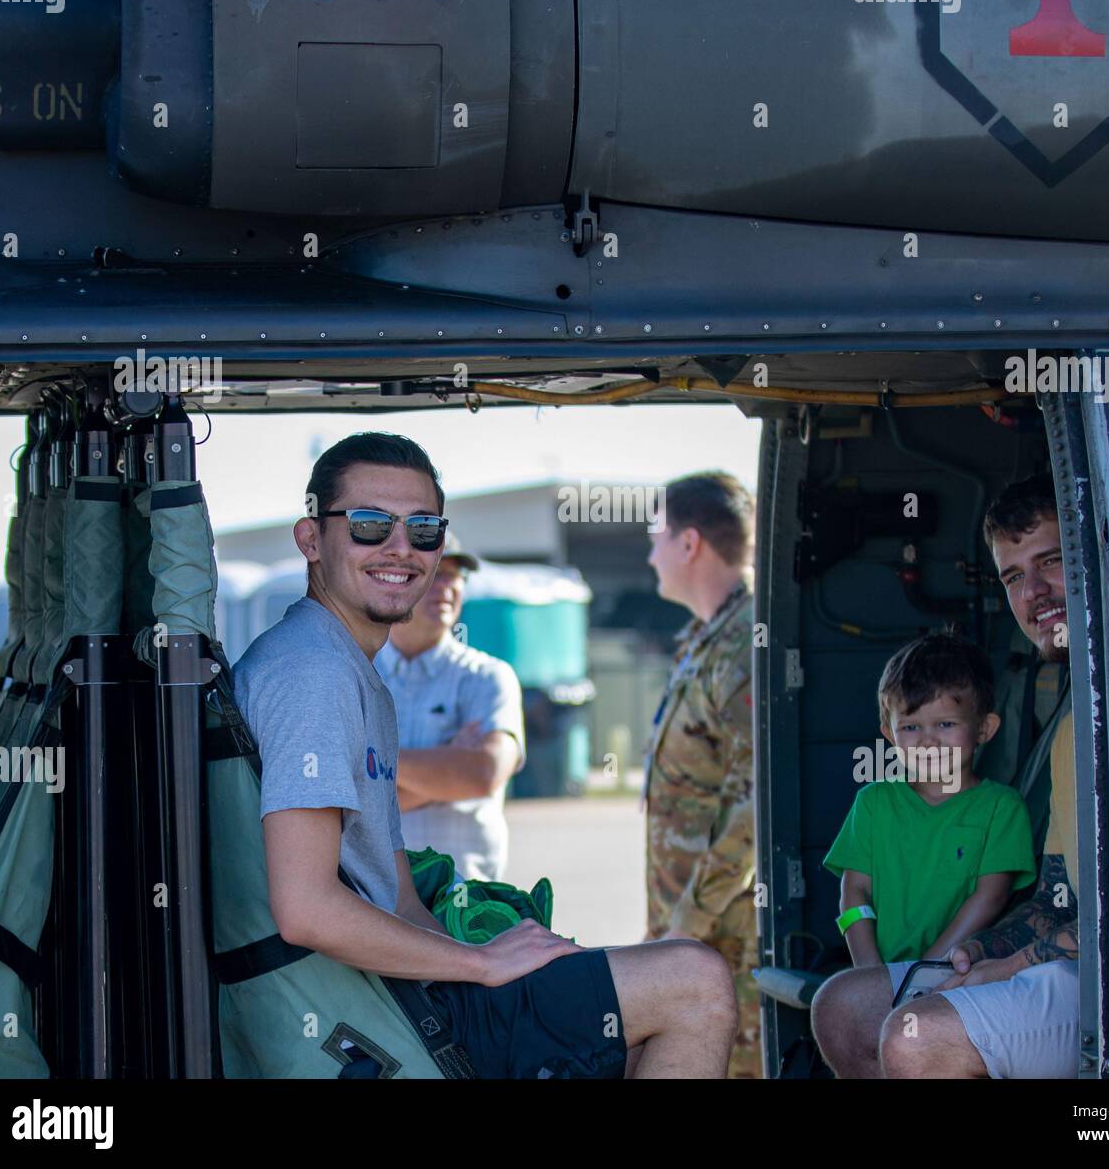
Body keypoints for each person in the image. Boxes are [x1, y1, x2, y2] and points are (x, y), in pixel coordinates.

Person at [233, 432, 737, 1078]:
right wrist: (482, 964)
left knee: (627, 1024)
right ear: (310, 539)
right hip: (361, 1013)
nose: (400, 548)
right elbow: (306, 908)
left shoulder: (353, 674)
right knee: (692, 979)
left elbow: (403, 900)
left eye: (423, 529)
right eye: (368, 525)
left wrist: (493, 953)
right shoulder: (313, 672)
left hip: (397, 991)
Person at [812, 472, 1078, 1078]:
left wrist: (985, 966)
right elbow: (1057, 900)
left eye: (1054, 561)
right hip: (1041, 961)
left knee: (912, 1036)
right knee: (842, 1007)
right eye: (1013, 576)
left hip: (1106, 977)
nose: (1034, 591)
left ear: (983, 729)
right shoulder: (1071, 729)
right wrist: (978, 955)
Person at [826, 633, 1036, 971]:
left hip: (960, 975)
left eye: (946, 724)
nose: (928, 741)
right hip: (879, 972)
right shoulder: (872, 803)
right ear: (890, 735)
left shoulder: (1003, 808)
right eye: (910, 727)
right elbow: (854, 893)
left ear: (984, 728)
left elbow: (991, 897)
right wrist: (870, 971)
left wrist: (923, 972)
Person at [644, 471, 761, 1078]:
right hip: (693, 934)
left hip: (726, 937)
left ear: (690, 544)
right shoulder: (703, 639)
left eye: (657, 537)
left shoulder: (742, 643)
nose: (650, 553)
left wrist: (688, 921)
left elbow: (752, 806)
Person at [375, 531, 524, 881]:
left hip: (467, 905)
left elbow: (482, 772)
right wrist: (444, 767)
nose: (446, 586)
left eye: (454, 576)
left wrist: (373, 763)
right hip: (377, 905)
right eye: (434, 573)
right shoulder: (358, 675)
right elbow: (344, 803)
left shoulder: (488, 677)